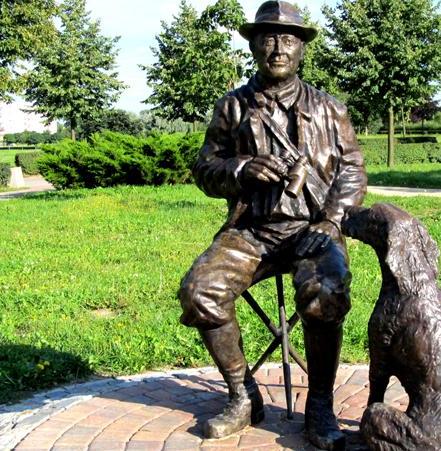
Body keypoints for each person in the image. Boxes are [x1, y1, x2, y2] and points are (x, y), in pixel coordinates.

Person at [178, 1, 366, 449]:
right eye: (268, 39)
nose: (278, 48)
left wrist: (332, 220)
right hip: (252, 232)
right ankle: (243, 395)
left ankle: (319, 403)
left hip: (312, 231)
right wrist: (241, 169)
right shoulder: (232, 107)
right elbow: (204, 169)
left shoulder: (330, 109)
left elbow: (353, 170)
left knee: (325, 293)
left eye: (287, 39)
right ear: (254, 46)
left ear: (301, 49)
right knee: (200, 291)